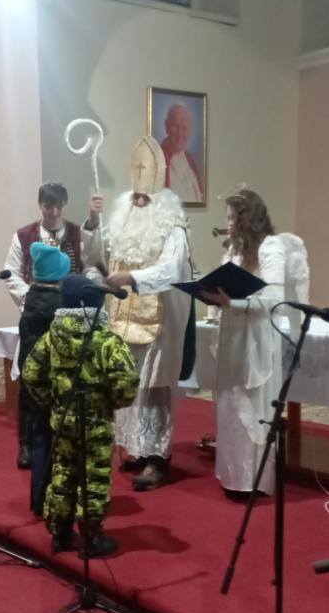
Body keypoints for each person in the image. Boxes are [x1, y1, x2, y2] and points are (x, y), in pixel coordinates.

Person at [83, 136, 192, 490]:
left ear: (159, 199)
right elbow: (95, 257)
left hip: (160, 324)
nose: (139, 202)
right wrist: (93, 220)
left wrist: (132, 277)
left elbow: (172, 270)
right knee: (129, 387)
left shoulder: (173, 227)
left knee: (154, 389)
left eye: (145, 198)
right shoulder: (121, 222)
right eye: (136, 197)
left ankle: (158, 459)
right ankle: (139, 450)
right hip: (123, 318)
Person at [22, 274, 140, 557]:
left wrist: (51, 402)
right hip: (96, 424)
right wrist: (112, 403)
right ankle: (91, 538)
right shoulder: (107, 342)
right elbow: (127, 381)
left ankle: (60, 534)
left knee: (63, 472)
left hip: (63, 422)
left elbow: (31, 373)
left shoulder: (51, 337)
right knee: (94, 477)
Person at [202, 187, 309, 496]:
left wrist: (234, 302)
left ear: (248, 219)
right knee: (229, 405)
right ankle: (233, 475)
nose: (228, 224)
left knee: (251, 404)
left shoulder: (270, 247)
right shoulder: (235, 249)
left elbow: (275, 299)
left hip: (256, 337)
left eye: (233, 218)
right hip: (234, 331)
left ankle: (252, 479)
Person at [3, 181, 85, 468]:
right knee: (31, 379)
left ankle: (64, 439)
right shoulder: (23, 236)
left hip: (69, 316)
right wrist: (35, 297)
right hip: (36, 316)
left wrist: (74, 297)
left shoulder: (77, 234)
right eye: (49, 206)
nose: (54, 212)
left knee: (67, 379)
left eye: (59, 206)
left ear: (65, 205)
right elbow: (11, 273)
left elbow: (90, 269)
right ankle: (27, 443)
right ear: (40, 205)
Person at [17, 242, 70, 517]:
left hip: (33, 381)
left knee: (40, 439)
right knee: (56, 444)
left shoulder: (31, 299)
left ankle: (38, 500)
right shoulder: (58, 306)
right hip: (53, 383)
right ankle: (56, 501)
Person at [160, 102, 203, 203]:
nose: (180, 134)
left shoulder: (191, 161)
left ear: (190, 131)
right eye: (175, 126)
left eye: (184, 128)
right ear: (166, 126)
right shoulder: (158, 159)